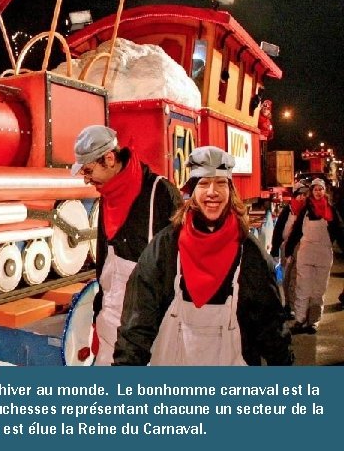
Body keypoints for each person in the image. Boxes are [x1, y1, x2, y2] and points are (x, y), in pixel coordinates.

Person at [113, 146, 293, 365]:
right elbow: (138, 320)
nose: (212, 192)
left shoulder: (249, 252)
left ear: (231, 191)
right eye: (204, 183)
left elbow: (270, 324)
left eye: (220, 183)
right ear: (191, 192)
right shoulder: (166, 247)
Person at [71, 125, 181, 365]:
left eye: (89, 170)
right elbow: (104, 267)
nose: (87, 179)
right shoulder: (107, 198)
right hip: (110, 329)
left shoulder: (160, 194)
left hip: (150, 335)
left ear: (109, 159)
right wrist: (97, 315)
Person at [285, 178, 344, 334]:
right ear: (312, 191)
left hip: (324, 253)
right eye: (315, 189)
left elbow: (340, 230)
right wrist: (289, 250)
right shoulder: (305, 210)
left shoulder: (331, 210)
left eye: (321, 189)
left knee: (318, 290)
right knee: (302, 288)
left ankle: (313, 322)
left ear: (325, 191)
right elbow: (297, 230)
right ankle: (299, 320)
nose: (318, 192)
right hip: (306, 252)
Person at [269, 181, 309, 318]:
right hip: (286, 247)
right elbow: (279, 229)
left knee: (296, 278)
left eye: (305, 195)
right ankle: (288, 305)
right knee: (286, 277)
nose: (303, 197)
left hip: (302, 248)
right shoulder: (288, 210)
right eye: (300, 195)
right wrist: (275, 250)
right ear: (295, 195)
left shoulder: (307, 212)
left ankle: (294, 306)